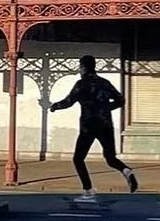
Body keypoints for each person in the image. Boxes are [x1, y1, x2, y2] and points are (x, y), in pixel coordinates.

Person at [49, 54, 138, 202]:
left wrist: (54, 106)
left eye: (80, 67)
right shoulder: (105, 83)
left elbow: (69, 101)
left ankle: (88, 190)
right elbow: (121, 100)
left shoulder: (81, 84)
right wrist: (106, 108)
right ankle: (127, 171)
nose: (79, 70)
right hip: (105, 124)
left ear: (84, 67)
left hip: (88, 126)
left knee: (78, 159)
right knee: (110, 158)